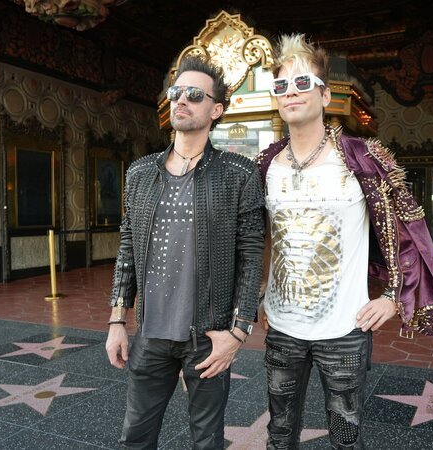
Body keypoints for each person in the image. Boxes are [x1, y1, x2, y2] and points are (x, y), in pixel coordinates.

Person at [255, 34, 433, 449]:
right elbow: (264, 233)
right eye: (282, 86)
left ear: (325, 96)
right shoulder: (266, 164)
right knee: (279, 433)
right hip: (282, 327)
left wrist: (393, 297)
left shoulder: (362, 157)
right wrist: (264, 289)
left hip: (345, 330)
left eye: (303, 83)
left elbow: (409, 231)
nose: (291, 93)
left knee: (345, 437)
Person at [105, 55, 265, 449]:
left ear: (216, 110)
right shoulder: (140, 172)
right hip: (150, 334)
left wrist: (238, 332)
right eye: (176, 92)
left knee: (206, 441)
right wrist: (116, 321)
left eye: (194, 95)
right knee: (135, 439)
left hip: (208, 337)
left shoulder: (238, 173)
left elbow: (251, 258)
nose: (181, 100)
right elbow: (127, 247)